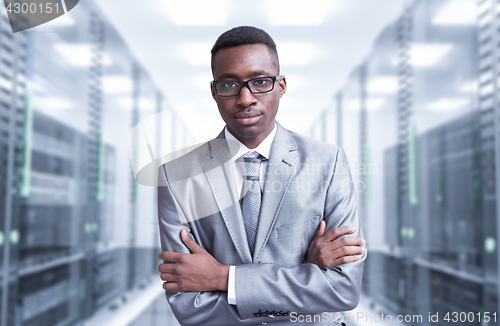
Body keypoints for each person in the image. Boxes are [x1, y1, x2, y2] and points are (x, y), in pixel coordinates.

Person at [157, 26, 367, 326]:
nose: (245, 98)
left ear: (281, 85)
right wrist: (307, 275)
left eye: (259, 82)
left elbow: (343, 290)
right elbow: (190, 307)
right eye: (229, 85)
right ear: (214, 91)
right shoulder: (175, 176)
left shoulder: (327, 162)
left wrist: (222, 277)